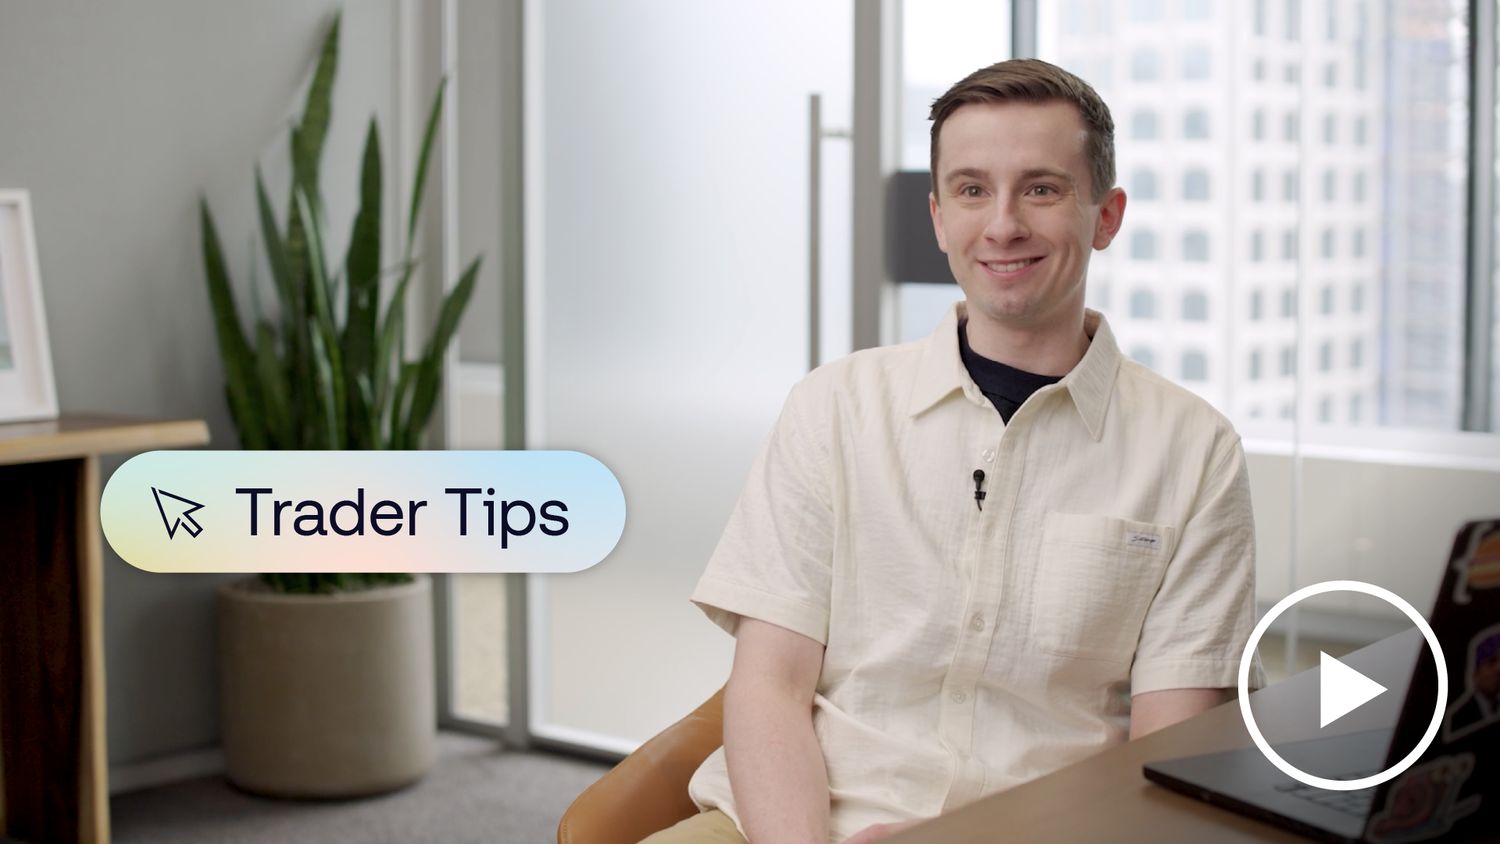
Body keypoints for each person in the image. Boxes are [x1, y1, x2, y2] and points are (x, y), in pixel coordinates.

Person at [643, 58, 1262, 844]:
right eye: (973, 190)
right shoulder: (834, 408)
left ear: (1105, 216)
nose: (1002, 224)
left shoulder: (1195, 453)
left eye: (1041, 188)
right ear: (939, 218)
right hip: (791, 821)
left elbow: (1163, 760)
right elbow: (769, 686)